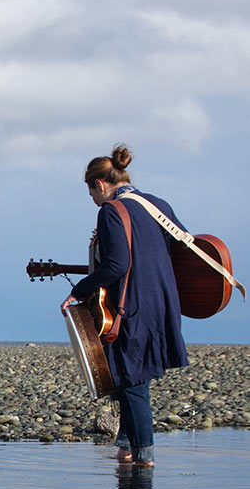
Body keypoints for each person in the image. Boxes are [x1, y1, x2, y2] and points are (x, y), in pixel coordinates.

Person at [60, 145, 188, 465]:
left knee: (132, 379)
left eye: (91, 193)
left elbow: (117, 264)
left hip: (131, 306)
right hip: (162, 303)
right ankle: (127, 447)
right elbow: (179, 245)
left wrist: (80, 289)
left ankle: (144, 456)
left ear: (100, 185)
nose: (93, 200)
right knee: (131, 376)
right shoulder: (158, 205)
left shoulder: (111, 210)